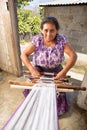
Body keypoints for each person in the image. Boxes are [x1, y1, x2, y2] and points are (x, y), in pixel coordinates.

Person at [21, 16, 77, 116]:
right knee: (36, 87)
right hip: (39, 69)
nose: (48, 34)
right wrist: (32, 70)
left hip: (56, 70)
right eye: (46, 30)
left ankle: (52, 111)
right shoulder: (37, 40)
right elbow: (23, 55)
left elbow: (73, 56)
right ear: (41, 30)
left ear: (57, 31)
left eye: (52, 30)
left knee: (57, 90)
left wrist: (63, 72)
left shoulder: (61, 40)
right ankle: (37, 107)